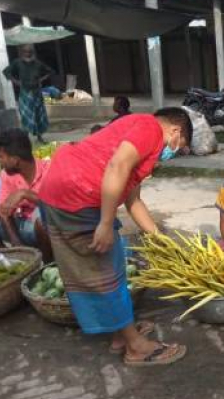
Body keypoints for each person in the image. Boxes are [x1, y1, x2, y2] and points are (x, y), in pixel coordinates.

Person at [37, 108, 192, 367]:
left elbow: (134, 201)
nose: (173, 152)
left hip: (67, 191)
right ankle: (135, 347)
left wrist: (160, 240)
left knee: (113, 265)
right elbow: (116, 165)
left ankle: (122, 333)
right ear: (176, 131)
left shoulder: (142, 143)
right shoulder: (149, 128)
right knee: (103, 271)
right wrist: (106, 223)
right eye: (180, 146)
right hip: (75, 195)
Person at [0, 128, 53, 263]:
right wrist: (16, 243)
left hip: (46, 230)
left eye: (1, 157)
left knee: (41, 217)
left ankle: (47, 265)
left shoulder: (49, 170)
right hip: (21, 225)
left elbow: (56, 206)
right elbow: (4, 211)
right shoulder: (7, 175)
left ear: (16, 160)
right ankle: (9, 264)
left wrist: (25, 194)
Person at [3, 44, 54, 143]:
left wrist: (41, 79)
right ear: (22, 53)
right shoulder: (17, 62)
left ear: (33, 52)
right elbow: (6, 72)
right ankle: (25, 138)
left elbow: (50, 71)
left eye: (30, 52)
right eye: (26, 51)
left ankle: (39, 137)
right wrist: (16, 81)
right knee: (27, 116)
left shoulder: (38, 63)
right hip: (25, 93)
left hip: (37, 92)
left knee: (39, 115)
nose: (28, 53)